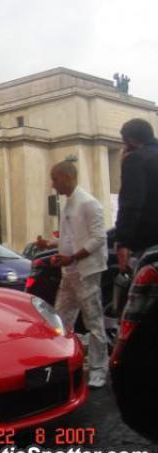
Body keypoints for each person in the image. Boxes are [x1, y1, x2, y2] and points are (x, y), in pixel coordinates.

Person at [35, 159, 109, 388]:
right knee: (60, 319)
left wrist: (73, 257)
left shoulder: (88, 203)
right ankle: (63, 363)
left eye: (55, 179)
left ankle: (98, 370)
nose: (53, 184)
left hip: (86, 272)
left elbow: (99, 238)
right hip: (70, 272)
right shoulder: (69, 204)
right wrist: (50, 243)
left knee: (93, 322)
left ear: (67, 177)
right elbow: (69, 238)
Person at [115, 118, 158, 272]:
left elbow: (131, 203)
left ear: (130, 141)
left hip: (148, 242)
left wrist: (122, 242)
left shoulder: (136, 159)